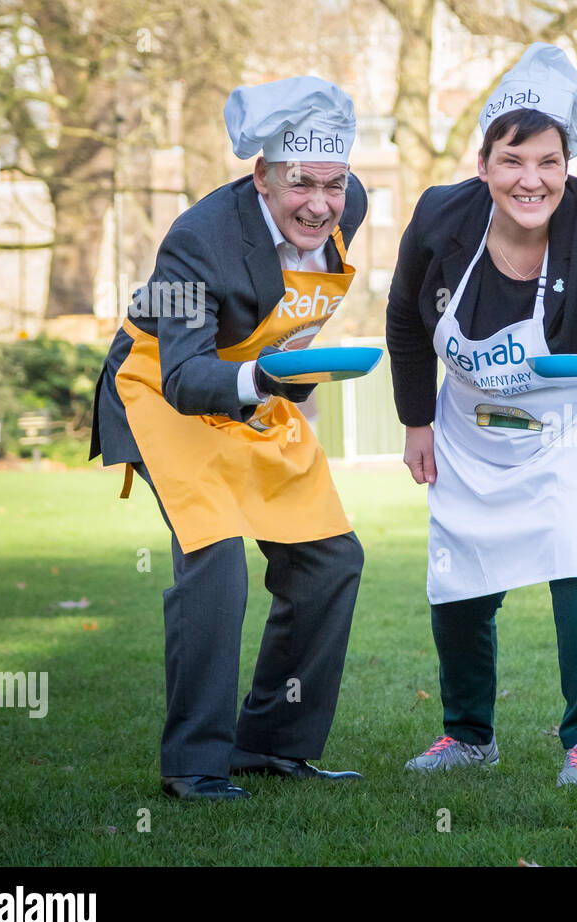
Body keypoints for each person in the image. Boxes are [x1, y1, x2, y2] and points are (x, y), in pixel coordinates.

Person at [385, 43, 577, 787]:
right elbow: (402, 319)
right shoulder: (437, 218)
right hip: (471, 418)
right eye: (514, 161)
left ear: (567, 166)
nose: (532, 180)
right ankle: (467, 734)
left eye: (549, 162)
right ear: (483, 164)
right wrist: (416, 420)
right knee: (457, 572)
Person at [90, 77, 368, 800]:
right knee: (216, 562)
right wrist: (272, 382)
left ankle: (272, 744)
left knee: (330, 558)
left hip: (254, 383)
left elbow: (293, 301)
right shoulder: (195, 241)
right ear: (261, 177)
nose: (320, 204)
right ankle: (194, 764)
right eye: (301, 183)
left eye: (333, 184)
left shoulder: (349, 206)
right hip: (165, 389)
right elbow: (183, 376)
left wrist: (296, 370)